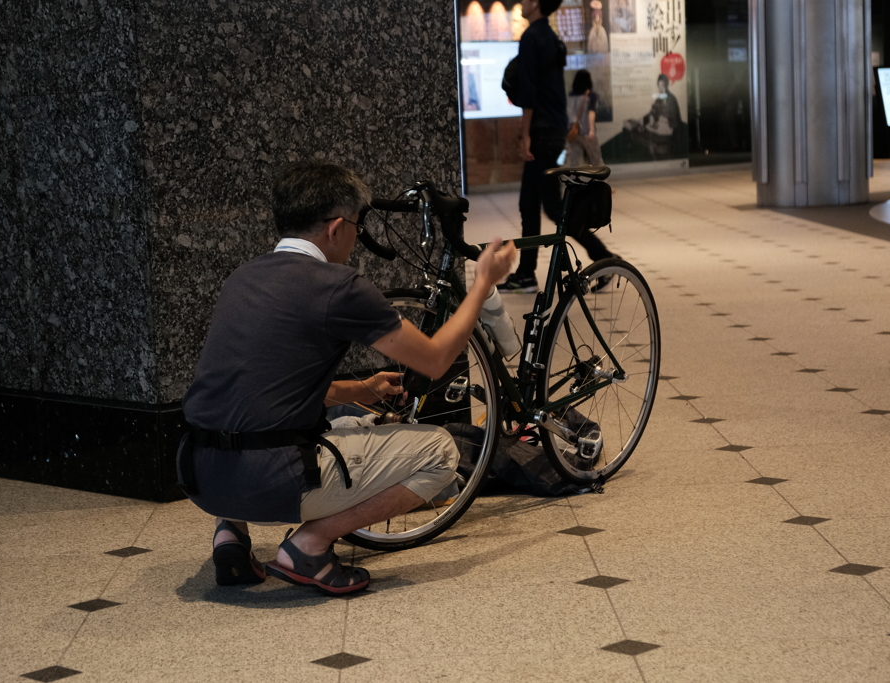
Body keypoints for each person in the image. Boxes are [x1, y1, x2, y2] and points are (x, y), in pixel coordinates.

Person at [179, 160, 516, 595]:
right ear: (337, 227)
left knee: (336, 423)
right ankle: (310, 546)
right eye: (358, 225)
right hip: (268, 480)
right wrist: (482, 283)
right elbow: (435, 359)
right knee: (440, 452)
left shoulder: (242, 278)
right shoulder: (337, 286)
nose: (358, 238)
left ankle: (231, 536)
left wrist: (363, 389)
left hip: (200, 476)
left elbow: (263, 391)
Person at [498, 0, 615, 293]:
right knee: (530, 204)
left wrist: (525, 134)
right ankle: (526, 273)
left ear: (536, 3)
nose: (521, 3)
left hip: (540, 132)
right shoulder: (551, 38)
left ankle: (604, 257)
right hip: (552, 129)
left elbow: (528, 93)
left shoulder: (531, 38)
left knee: (551, 207)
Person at [566, 69, 603, 167]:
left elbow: (568, 113)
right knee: (596, 160)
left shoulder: (570, 95)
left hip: (573, 132)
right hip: (586, 132)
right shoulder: (591, 95)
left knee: (574, 160)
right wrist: (591, 130)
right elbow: (591, 113)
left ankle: (573, 180)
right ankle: (600, 180)